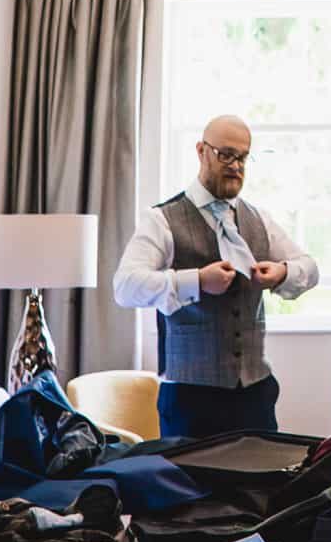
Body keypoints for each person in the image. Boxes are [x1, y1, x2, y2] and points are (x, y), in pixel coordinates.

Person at [113, 113, 318, 438]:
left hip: (255, 395)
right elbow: (125, 287)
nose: (235, 165)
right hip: (190, 400)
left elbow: (310, 268)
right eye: (226, 155)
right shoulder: (161, 220)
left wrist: (281, 273)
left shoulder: (258, 219)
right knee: (192, 489)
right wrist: (195, 281)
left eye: (242, 157)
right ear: (201, 150)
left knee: (263, 487)